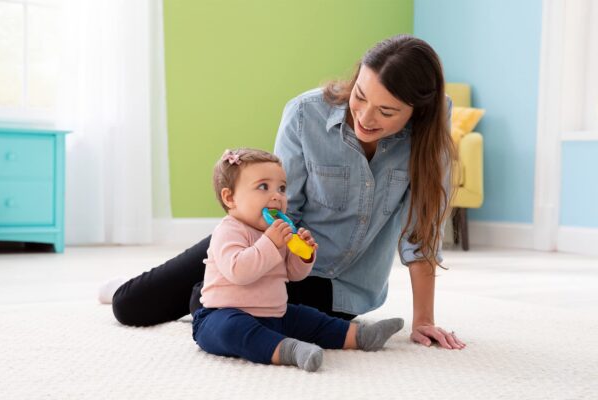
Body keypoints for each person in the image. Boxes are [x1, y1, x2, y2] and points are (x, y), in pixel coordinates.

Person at [104, 34, 465, 350]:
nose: (366, 117)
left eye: (386, 111)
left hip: (336, 285)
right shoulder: (306, 114)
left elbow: (421, 236)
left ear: (417, 113)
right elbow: (276, 211)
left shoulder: (430, 139)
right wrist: (249, 261)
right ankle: (150, 288)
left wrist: (423, 320)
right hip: (264, 242)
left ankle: (203, 296)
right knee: (130, 306)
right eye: (360, 96)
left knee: (205, 297)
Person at [191, 148, 404, 372]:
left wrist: (303, 254)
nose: (277, 196)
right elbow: (239, 271)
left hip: (274, 314)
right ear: (229, 197)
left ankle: (361, 336)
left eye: (282, 188)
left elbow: (294, 275)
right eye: (263, 187)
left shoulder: (277, 232)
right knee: (234, 330)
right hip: (222, 315)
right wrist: (271, 244)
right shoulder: (229, 230)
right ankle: (289, 350)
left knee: (309, 318)